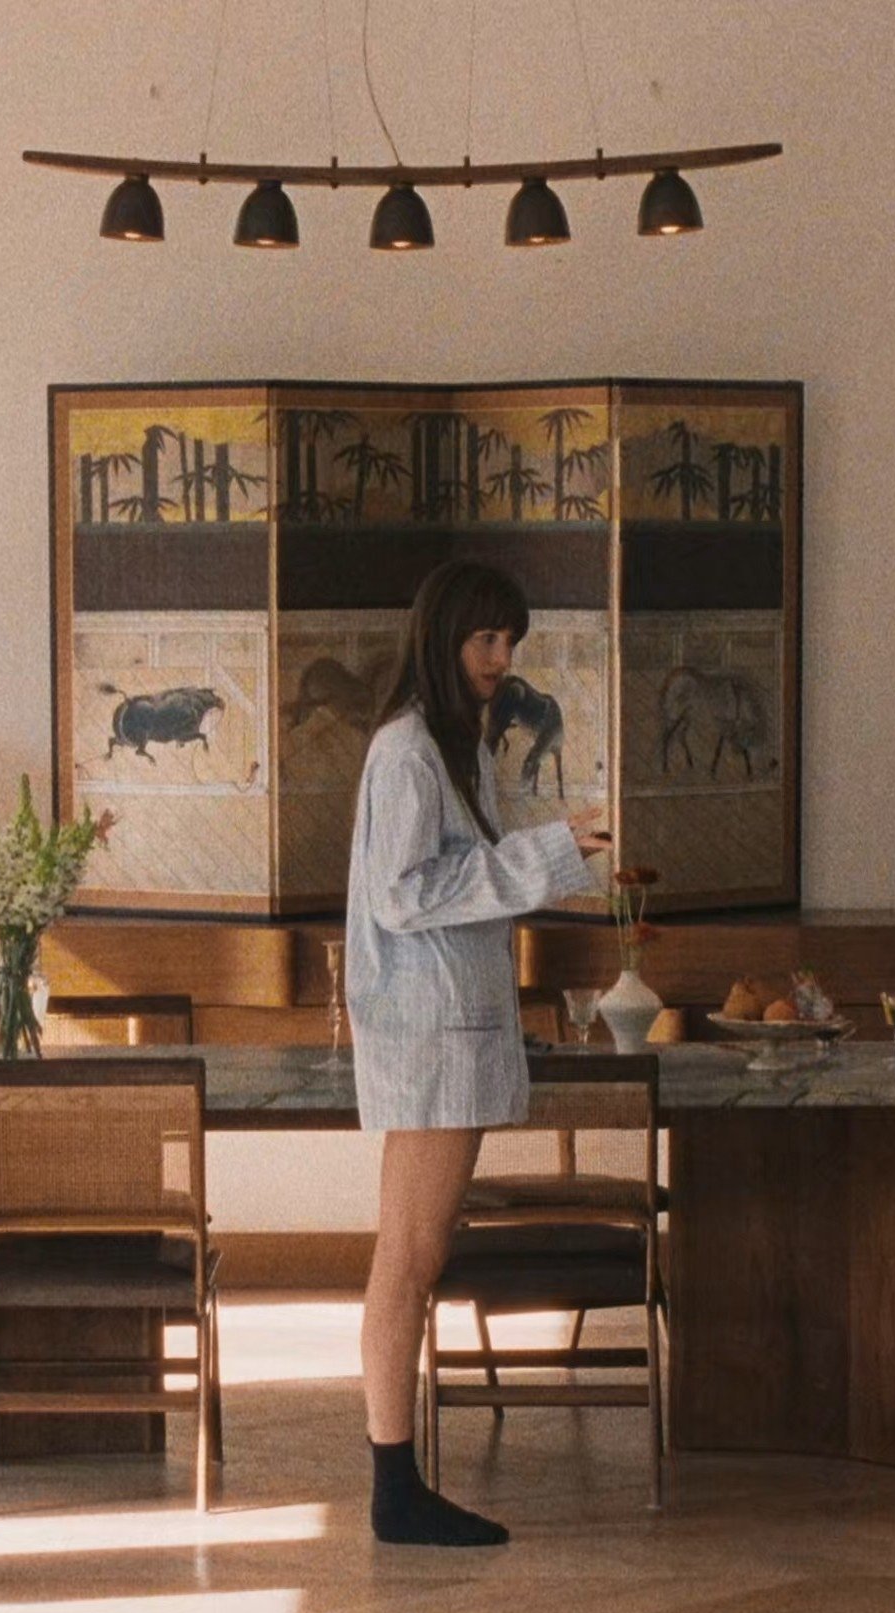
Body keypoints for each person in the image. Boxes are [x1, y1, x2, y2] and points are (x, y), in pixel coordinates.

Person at [346, 560, 612, 1546]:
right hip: (429, 1037)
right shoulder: (408, 752)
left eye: (509, 642)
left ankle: (397, 1484)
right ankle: (394, 1489)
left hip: (443, 1031)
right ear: (443, 637)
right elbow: (403, 893)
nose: (500, 660)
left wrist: (559, 850)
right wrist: (555, 849)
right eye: (485, 640)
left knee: (412, 1255)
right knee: (408, 1259)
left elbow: (460, 878)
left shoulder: (453, 749)